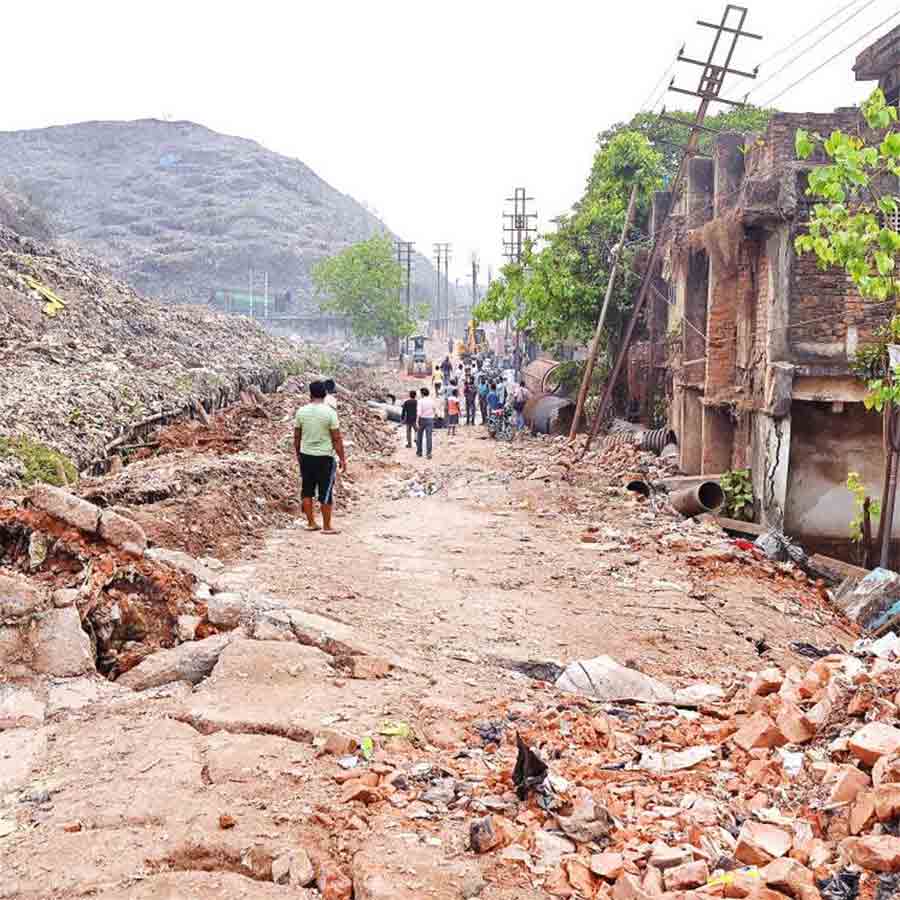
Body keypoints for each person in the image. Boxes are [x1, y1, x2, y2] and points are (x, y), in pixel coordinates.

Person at [293, 380, 347, 535]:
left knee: (307, 490)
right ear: (324, 394)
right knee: (326, 491)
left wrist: (298, 454)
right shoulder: (330, 413)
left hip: (306, 456)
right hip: (325, 458)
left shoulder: (301, 412)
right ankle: (327, 526)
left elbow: (296, 437)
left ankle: (310, 523)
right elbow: (336, 439)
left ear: (310, 394)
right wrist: (342, 458)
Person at [416, 387, 435, 459]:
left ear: (422, 393)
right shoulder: (431, 401)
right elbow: (434, 409)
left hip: (422, 419)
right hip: (430, 419)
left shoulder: (420, 401)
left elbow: (419, 412)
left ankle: (419, 452)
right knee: (429, 437)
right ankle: (429, 453)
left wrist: (417, 421)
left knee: (419, 436)